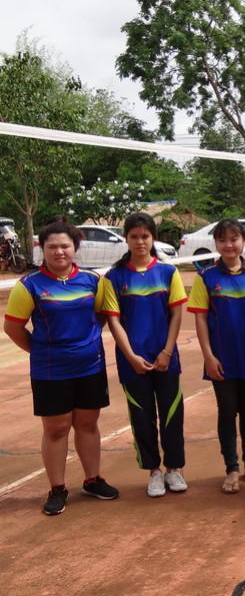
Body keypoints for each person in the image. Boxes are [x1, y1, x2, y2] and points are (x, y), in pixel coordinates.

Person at [4, 220, 119, 515]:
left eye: (65, 246)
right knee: (56, 429)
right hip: (50, 371)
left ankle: (92, 480)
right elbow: (13, 328)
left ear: (74, 248)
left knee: (87, 424)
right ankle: (57, 488)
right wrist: (41, 351)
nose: (59, 252)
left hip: (90, 366)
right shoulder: (29, 285)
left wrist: (86, 343)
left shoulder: (93, 281)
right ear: (42, 249)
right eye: (52, 246)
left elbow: (101, 316)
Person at [102, 213, 188, 498]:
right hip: (133, 363)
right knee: (142, 418)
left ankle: (174, 468)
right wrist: (130, 357)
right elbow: (114, 321)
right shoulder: (114, 277)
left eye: (145, 236)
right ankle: (154, 471)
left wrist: (166, 351)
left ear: (153, 238)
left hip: (166, 359)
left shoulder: (168, 273)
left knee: (172, 415)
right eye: (134, 236)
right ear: (126, 239)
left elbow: (177, 315)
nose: (140, 241)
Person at [187, 219, 245, 495]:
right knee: (227, 410)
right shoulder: (206, 277)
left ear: (243, 242)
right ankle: (232, 468)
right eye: (223, 239)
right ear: (216, 243)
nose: (229, 245)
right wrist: (208, 356)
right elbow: (201, 319)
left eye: (234, 239)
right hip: (222, 357)